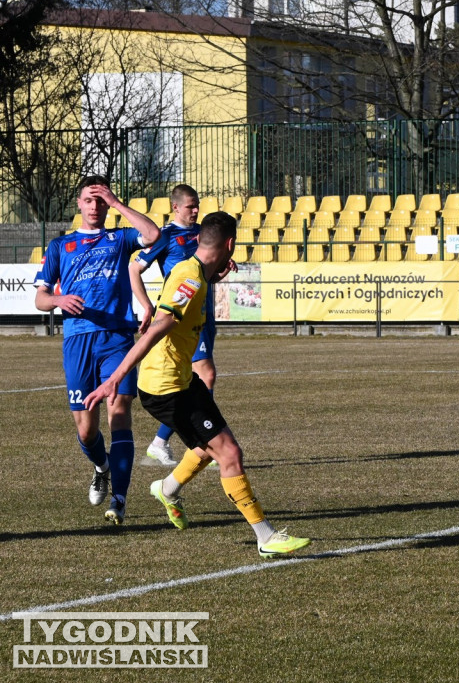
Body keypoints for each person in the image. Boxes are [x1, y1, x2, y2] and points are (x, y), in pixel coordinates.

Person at [83, 212, 310, 558]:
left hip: (181, 380)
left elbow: (190, 289)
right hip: (165, 388)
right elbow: (158, 327)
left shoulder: (194, 271)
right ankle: (265, 536)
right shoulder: (189, 278)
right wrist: (115, 377)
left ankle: (167, 488)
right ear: (230, 244)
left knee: (207, 447)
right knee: (229, 452)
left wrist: (215, 276)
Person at [35, 175, 162, 525]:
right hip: (78, 342)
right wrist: (59, 298)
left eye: (101, 201)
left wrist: (119, 202)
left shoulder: (120, 239)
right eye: (89, 200)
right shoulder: (61, 246)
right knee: (86, 429)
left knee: (119, 411)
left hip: (117, 338)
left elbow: (153, 236)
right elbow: (40, 298)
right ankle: (101, 467)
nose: (95, 207)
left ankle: (119, 500)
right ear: (78, 204)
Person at [130, 184, 232, 467]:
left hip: (203, 316)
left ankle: (193, 441)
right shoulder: (166, 237)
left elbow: (205, 278)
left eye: (197, 205)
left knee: (196, 378)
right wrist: (147, 305)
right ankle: (172, 442)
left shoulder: (203, 234)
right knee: (206, 375)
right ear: (175, 207)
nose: (196, 210)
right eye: (190, 206)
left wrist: (220, 270)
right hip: (182, 318)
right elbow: (133, 269)